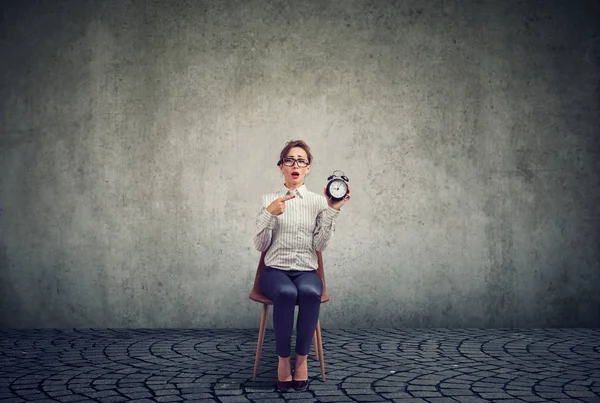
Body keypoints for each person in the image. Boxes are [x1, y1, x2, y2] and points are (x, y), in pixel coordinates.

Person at [253, 140, 350, 392]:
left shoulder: (319, 202)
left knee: (309, 292)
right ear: (281, 167)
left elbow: (320, 244)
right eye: (289, 160)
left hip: (307, 271)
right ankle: (283, 362)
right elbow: (259, 244)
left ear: (308, 168)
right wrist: (269, 214)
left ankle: (302, 361)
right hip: (275, 272)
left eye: (301, 161)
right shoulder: (268, 199)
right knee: (286, 293)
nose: (295, 165)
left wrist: (332, 210)